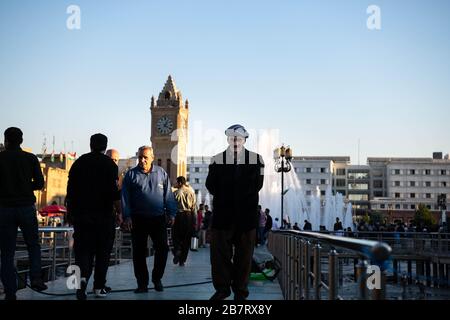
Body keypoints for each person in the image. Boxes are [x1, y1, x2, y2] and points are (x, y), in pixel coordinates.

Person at [206, 124, 264, 300]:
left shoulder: (257, 159)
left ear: (245, 139)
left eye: (239, 138)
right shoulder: (216, 159)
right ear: (228, 139)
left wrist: (228, 191)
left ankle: (240, 291)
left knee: (244, 257)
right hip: (223, 216)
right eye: (232, 137)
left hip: (246, 218)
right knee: (219, 256)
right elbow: (210, 185)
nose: (235, 141)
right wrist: (230, 193)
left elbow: (257, 185)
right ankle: (222, 289)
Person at [66, 133, 122, 300]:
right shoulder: (110, 165)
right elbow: (114, 194)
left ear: (90, 144)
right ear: (105, 147)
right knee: (103, 254)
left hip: (82, 218)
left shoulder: (79, 163)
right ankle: (99, 287)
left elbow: (70, 191)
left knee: (82, 254)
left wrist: (71, 213)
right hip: (103, 218)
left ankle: (79, 288)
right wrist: (119, 213)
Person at [121, 146, 177, 293]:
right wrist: (127, 217)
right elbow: (125, 198)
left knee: (163, 249)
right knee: (139, 253)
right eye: (140, 157)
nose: (142, 160)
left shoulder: (161, 173)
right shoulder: (130, 175)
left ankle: (157, 278)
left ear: (152, 157)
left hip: (158, 219)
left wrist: (171, 213)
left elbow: (168, 196)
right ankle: (142, 283)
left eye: (145, 157)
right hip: (137, 220)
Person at [0, 127, 47, 300]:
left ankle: (10, 292)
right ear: (21, 140)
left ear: (6, 140)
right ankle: (36, 278)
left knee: (7, 252)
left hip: (5, 208)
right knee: (33, 245)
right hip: (26, 207)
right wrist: (26, 187)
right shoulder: (30, 158)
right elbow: (40, 183)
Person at [172, 176, 196, 266]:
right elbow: (194, 206)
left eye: (176, 182)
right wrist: (194, 221)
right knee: (186, 238)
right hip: (189, 216)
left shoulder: (176, 193)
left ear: (180, 183)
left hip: (178, 215)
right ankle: (182, 260)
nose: (175, 184)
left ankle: (177, 250)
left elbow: (172, 206)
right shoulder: (192, 191)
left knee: (176, 236)